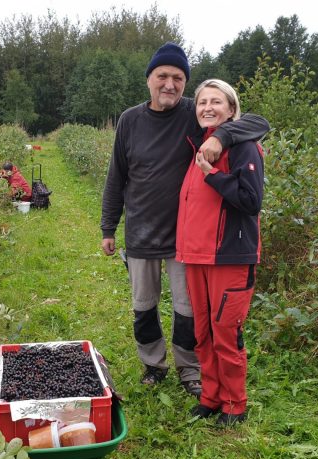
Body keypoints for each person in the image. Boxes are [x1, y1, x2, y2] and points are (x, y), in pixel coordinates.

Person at [100, 42, 269, 397]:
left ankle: (190, 369)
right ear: (149, 79)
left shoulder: (195, 113)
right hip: (142, 231)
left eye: (178, 78)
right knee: (143, 307)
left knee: (187, 311)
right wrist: (108, 227)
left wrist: (221, 137)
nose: (170, 84)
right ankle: (153, 364)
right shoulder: (130, 120)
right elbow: (116, 177)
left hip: (185, 237)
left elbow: (255, 122)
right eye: (162, 76)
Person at [176, 79, 264, 426]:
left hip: (229, 256)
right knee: (203, 331)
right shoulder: (199, 144)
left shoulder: (243, 146)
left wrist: (212, 175)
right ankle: (211, 396)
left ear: (231, 110)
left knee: (226, 332)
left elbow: (250, 200)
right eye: (201, 102)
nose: (207, 107)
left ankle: (234, 404)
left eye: (216, 102)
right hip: (196, 257)